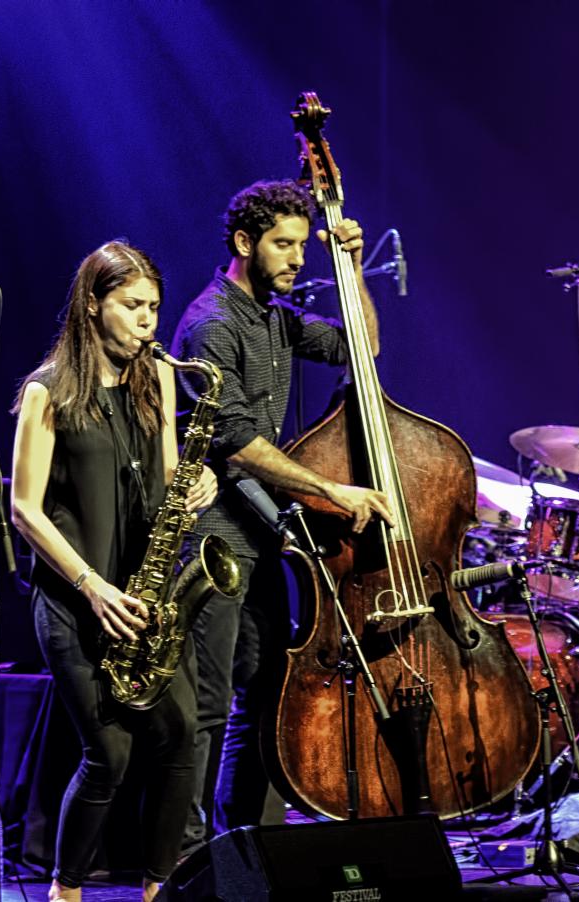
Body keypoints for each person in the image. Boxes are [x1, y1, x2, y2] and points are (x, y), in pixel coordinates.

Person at [170, 180, 396, 845]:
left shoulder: (276, 315)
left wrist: (351, 265)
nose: (299, 259)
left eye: (303, 244)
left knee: (265, 697)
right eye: (284, 244)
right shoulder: (212, 323)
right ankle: (188, 863)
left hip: (261, 534)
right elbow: (236, 445)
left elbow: (364, 347)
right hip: (213, 537)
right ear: (245, 243)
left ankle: (249, 850)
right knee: (208, 707)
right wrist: (334, 492)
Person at [10, 240, 218, 901]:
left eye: (154, 307)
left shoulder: (156, 378)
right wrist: (91, 586)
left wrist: (195, 484)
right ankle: (65, 891)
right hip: (76, 598)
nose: (149, 321)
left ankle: (162, 890)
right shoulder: (47, 392)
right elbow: (23, 509)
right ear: (94, 305)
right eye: (133, 307)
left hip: (144, 598)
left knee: (182, 736)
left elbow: (163, 477)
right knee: (111, 756)